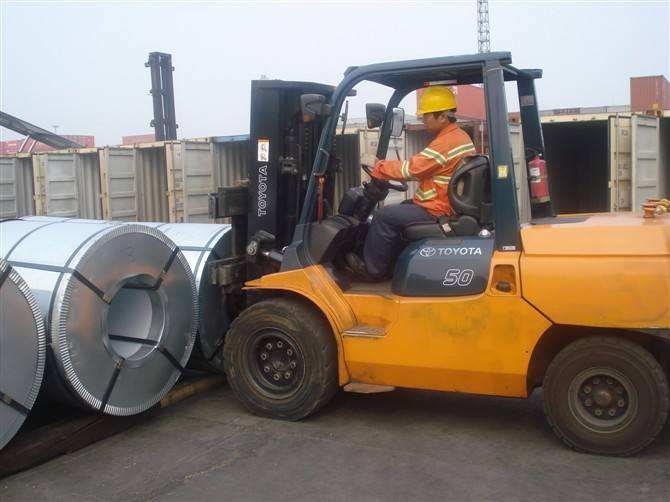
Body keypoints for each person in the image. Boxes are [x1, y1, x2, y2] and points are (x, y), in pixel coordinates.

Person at [346, 86, 476, 281]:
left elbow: (413, 169)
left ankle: (372, 270)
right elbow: (425, 170)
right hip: (443, 204)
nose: (423, 120)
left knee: (383, 216)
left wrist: (379, 166)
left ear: (443, 116)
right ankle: (391, 264)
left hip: (437, 209)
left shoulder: (446, 143)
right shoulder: (459, 137)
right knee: (402, 208)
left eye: (426, 116)